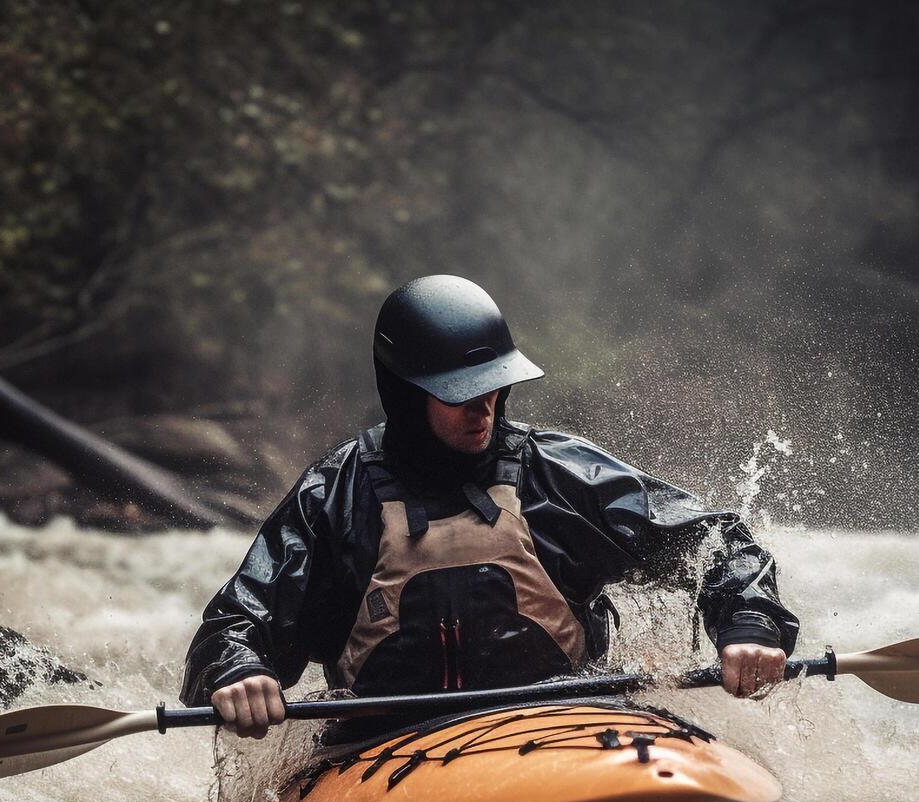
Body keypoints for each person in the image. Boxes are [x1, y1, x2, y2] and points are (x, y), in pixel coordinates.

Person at [181, 275, 799, 739]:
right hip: (381, 746)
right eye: (460, 394)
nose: (484, 407)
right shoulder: (332, 497)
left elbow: (715, 541)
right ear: (405, 393)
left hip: (564, 730)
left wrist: (748, 623)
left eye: (494, 386)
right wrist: (236, 669)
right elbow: (237, 620)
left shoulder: (556, 473)